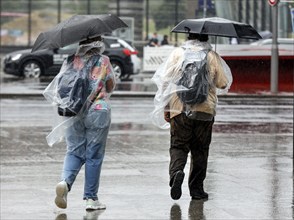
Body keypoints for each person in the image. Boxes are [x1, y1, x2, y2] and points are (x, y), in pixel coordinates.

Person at [151, 33, 232, 201]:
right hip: (204, 109)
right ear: (206, 38)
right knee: (200, 150)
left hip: (179, 108)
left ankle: (176, 173)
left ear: (188, 36)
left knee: (178, 146)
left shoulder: (178, 53)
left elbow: (165, 81)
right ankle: (196, 190)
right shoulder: (211, 55)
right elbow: (222, 83)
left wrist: (167, 107)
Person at [51, 35, 115, 210]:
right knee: (94, 155)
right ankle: (91, 199)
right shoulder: (103, 60)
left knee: (74, 151)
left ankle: (65, 182)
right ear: (98, 43)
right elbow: (110, 86)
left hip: (73, 111)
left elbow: (60, 86)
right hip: (98, 110)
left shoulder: (71, 60)